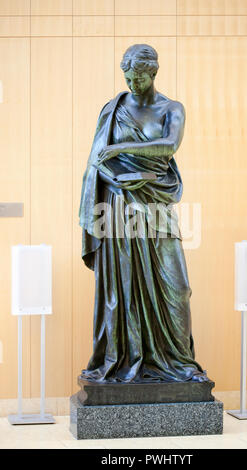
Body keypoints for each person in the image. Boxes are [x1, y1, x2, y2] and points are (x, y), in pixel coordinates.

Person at [79, 44, 207, 383]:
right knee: (123, 289)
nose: (132, 84)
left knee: (177, 287)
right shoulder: (113, 109)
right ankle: (126, 360)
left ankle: (181, 363)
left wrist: (121, 148)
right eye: (128, 78)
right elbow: (96, 163)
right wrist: (120, 177)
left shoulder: (172, 108)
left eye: (138, 78)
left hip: (157, 208)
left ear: (153, 74)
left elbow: (168, 145)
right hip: (119, 208)